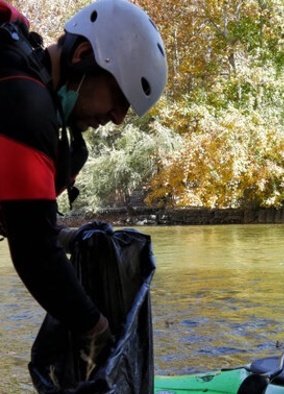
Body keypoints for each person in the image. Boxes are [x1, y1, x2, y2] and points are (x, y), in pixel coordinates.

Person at [0, 0, 167, 372]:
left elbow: (20, 219)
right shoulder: (24, 101)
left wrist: (67, 237)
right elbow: (33, 251)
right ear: (83, 55)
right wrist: (96, 328)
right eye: (119, 97)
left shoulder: (23, 86)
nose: (118, 118)